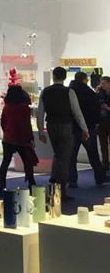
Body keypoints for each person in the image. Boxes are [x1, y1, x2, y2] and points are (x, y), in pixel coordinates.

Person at [38, 67, 89, 200]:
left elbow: (40, 112)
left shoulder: (45, 91)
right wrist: (84, 129)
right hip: (66, 125)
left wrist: (40, 130)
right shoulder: (69, 92)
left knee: (58, 155)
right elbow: (77, 112)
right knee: (65, 158)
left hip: (51, 125)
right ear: (65, 77)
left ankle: (54, 185)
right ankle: (61, 190)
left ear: (53, 76)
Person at [68, 72, 107, 187]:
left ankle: (72, 181)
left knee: (72, 157)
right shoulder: (89, 92)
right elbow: (95, 109)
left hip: (72, 127)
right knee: (93, 155)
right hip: (88, 127)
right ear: (85, 80)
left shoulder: (69, 91)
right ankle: (100, 178)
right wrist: (96, 122)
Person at [0, 85, 36, 195]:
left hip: (8, 138)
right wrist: (30, 138)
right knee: (27, 162)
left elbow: (3, 122)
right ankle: (31, 184)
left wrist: (7, 132)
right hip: (22, 139)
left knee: (5, 162)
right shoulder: (24, 108)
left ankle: (2, 185)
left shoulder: (6, 107)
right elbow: (26, 124)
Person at [97, 76, 110, 172]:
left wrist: (107, 108)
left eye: (104, 83)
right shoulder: (100, 93)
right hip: (102, 122)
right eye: (101, 83)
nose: (102, 85)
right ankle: (105, 163)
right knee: (103, 144)